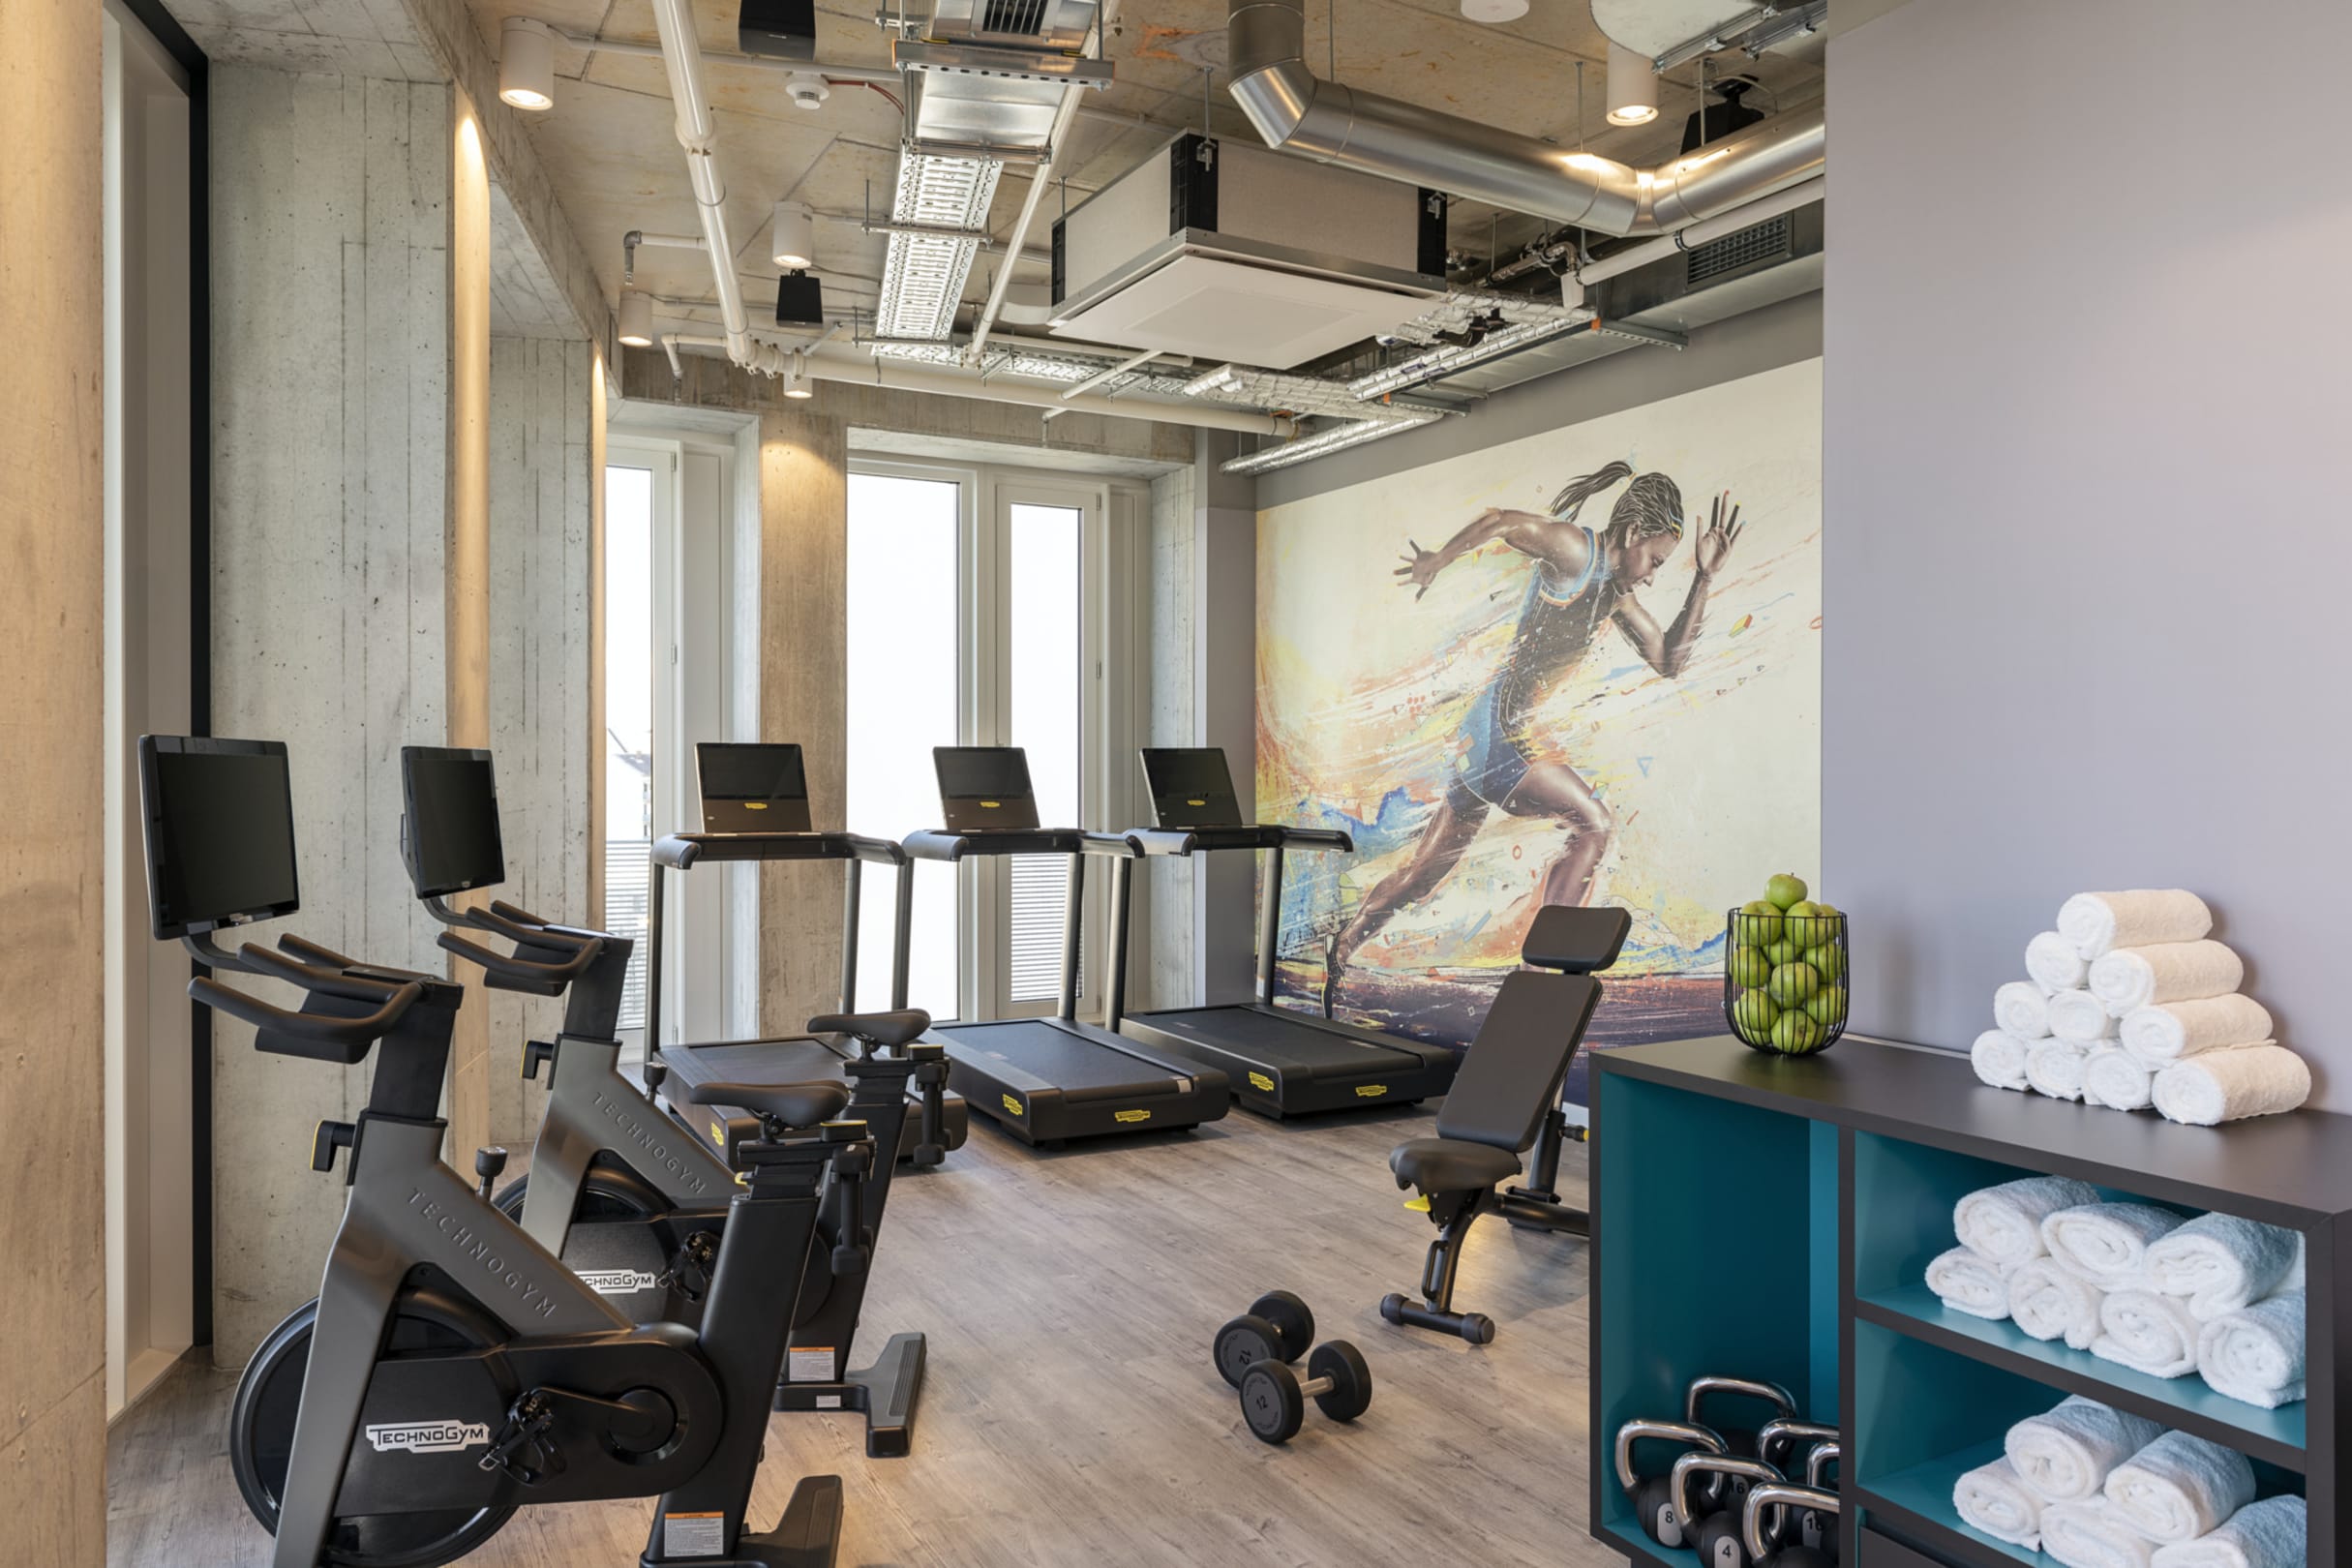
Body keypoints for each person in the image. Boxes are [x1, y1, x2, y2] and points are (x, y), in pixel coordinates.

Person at [1325, 460, 1745, 1006]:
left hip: (1486, 733)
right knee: (1593, 824)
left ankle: (1343, 944)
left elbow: (1669, 660)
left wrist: (1704, 579)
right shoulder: (1574, 552)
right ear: (1633, 532)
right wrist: (1437, 560)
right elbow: (1501, 521)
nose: (1651, 576)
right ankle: (1541, 975)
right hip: (1498, 735)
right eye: (1656, 561)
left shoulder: (1615, 596)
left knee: (1424, 875)